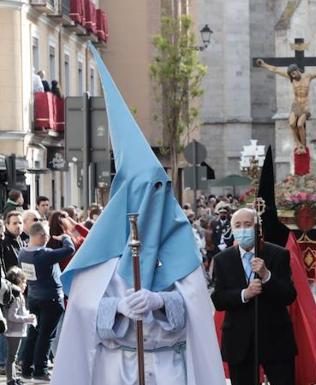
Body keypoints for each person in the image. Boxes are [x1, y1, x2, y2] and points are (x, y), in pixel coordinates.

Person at [51, 45, 225, 385]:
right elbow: (81, 312)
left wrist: (161, 300)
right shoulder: (103, 252)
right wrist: (116, 309)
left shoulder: (180, 247)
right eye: (144, 191)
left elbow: (199, 309)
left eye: (159, 190)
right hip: (115, 367)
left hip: (168, 368)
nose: (152, 202)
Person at [211, 208, 297, 385]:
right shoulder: (222, 259)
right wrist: (245, 294)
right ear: (232, 229)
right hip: (239, 340)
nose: (243, 229)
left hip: (275, 337)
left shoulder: (278, 254)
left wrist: (267, 276)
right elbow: (218, 299)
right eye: (238, 225)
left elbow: (289, 295)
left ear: (257, 228)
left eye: (248, 225)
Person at [18, 222, 74, 380]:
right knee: (46, 336)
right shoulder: (44, 254)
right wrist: (66, 237)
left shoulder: (22, 253)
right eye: (47, 235)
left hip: (34, 298)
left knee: (33, 334)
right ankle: (40, 370)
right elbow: (70, 249)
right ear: (42, 236)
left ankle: (26, 369)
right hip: (51, 299)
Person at [255, 57, 316, 154]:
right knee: (292, 124)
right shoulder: (291, 78)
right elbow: (275, 70)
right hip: (296, 105)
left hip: (305, 106)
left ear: (297, 70)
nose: (293, 76)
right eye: (291, 75)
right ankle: (298, 144)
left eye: (293, 73)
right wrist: (263, 64)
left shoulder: (308, 76)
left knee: (300, 125)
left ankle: (303, 146)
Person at [3, 266, 36, 385]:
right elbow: (12, 316)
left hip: (16, 331)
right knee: (12, 357)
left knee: (13, 356)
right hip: (13, 331)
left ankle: (13, 377)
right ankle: (10, 380)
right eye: (23, 282)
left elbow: (18, 313)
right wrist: (26, 318)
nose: (25, 285)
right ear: (17, 282)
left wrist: (27, 315)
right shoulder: (16, 297)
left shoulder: (18, 296)